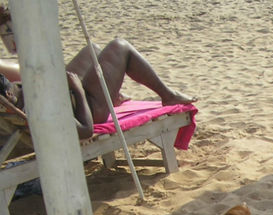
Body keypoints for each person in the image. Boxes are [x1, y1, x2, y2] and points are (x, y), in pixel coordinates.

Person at [0, 5, 194, 139]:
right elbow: (85, 130)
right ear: (9, 93)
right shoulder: (39, 104)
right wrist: (77, 89)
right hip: (88, 107)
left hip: (57, 94)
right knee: (120, 47)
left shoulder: (12, 101)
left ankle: (113, 93)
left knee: (93, 50)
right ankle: (167, 95)